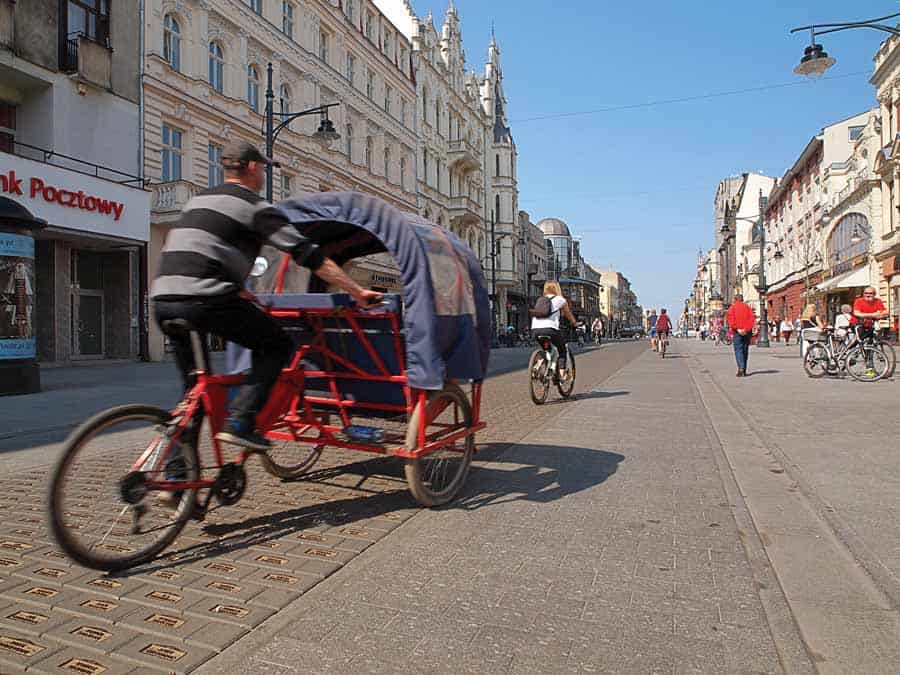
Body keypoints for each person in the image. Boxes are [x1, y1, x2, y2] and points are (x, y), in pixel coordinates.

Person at [152, 141, 382, 450]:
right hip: (204, 300)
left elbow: (203, 255)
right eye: (262, 168)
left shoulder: (199, 201)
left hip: (163, 299)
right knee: (276, 346)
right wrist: (356, 291)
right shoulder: (254, 207)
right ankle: (242, 421)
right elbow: (307, 253)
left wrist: (241, 289)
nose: (263, 175)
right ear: (251, 168)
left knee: (193, 392)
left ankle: (177, 477)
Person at [531, 280, 577, 382]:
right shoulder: (560, 300)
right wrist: (574, 323)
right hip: (550, 330)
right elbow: (568, 314)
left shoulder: (540, 300)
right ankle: (562, 375)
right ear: (557, 288)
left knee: (547, 349)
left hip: (535, 329)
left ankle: (537, 365)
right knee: (562, 350)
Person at [852, 287, 888, 376]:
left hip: (870, 325)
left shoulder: (878, 301)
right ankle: (851, 354)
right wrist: (874, 314)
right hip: (857, 324)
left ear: (874, 294)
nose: (868, 295)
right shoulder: (859, 301)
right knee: (858, 342)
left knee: (870, 346)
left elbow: (885, 312)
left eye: (870, 293)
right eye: (866, 293)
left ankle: (869, 368)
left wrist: (879, 315)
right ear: (863, 294)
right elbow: (857, 313)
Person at [725, 293, 755, 377]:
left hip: (737, 332)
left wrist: (738, 329)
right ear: (742, 299)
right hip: (747, 332)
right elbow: (752, 319)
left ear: (735, 299)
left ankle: (740, 368)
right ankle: (744, 369)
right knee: (745, 350)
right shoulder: (747, 307)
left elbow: (731, 320)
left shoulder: (732, 308)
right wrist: (746, 329)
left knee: (738, 350)